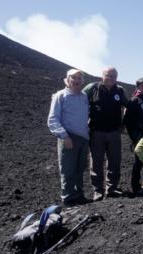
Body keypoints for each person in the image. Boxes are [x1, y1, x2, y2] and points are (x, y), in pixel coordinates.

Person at [83, 67, 128, 201]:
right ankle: (98, 190)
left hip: (114, 132)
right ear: (102, 76)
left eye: (113, 76)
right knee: (96, 162)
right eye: (108, 75)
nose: (110, 78)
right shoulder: (92, 88)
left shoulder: (119, 90)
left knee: (114, 161)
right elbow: (79, 101)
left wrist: (123, 124)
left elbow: (127, 106)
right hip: (97, 132)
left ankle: (112, 188)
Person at [47, 69, 90, 206]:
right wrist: (64, 136)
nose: (77, 81)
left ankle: (79, 194)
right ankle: (68, 197)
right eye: (74, 78)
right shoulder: (61, 96)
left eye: (79, 78)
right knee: (68, 169)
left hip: (83, 138)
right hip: (69, 137)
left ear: (82, 81)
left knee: (79, 168)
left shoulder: (84, 97)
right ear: (67, 79)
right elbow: (53, 119)